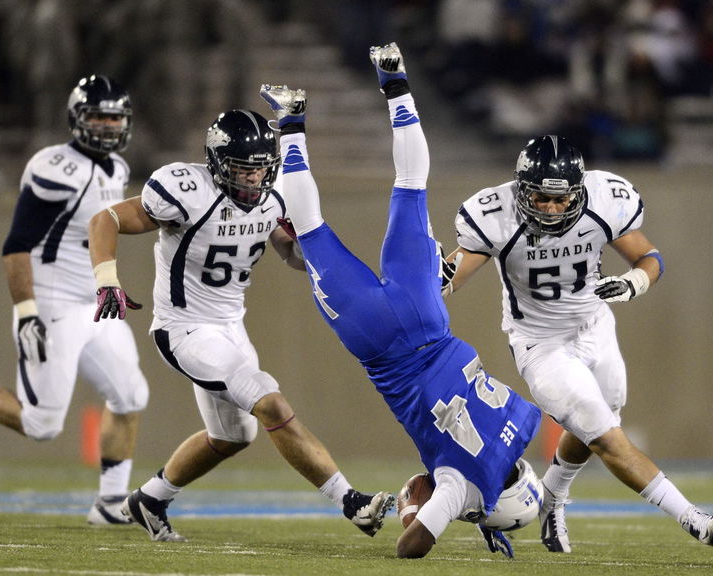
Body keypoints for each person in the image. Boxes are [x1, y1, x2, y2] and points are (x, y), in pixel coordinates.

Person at [258, 42, 542, 560]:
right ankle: (290, 123)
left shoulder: (526, 420)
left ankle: (395, 84)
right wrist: (458, 513)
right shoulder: (464, 487)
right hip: (380, 343)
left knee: (411, 185)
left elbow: (500, 456)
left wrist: (482, 508)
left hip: (426, 313)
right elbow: (411, 546)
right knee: (311, 230)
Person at [87, 107, 395, 543]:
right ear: (215, 163)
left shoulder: (274, 196)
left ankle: (149, 499)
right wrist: (107, 280)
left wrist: (332, 268)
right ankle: (352, 502)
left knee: (233, 435)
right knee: (269, 401)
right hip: (184, 328)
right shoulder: (186, 189)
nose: (253, 180)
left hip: (231, 326)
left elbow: (289, 252)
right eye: (241, 171)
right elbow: (107, 219)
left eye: (260, 171)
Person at [446, 134, 713, 552]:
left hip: (595, 325)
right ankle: (694, 519)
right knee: (605, 435)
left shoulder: (605, 201)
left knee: (599, 422)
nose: (552, 209)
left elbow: (650, 258)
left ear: (580, 191)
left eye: (562, 200)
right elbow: (451, 279)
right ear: (521, 191)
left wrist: (634, 283)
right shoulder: (495, 215)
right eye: (541, 199)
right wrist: (435, 278)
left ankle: (552, 501)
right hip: (540, 344)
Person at [0, 75, 149, 526]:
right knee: (42, 426)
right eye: (99, 116)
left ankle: (111, 503)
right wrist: (26, 311)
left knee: (131, 393)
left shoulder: (116, 167)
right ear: (78, 119)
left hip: (95, 302)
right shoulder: (54, 165)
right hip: (53, 300)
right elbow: (17, 243)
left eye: (115, 117)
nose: (108, 125)